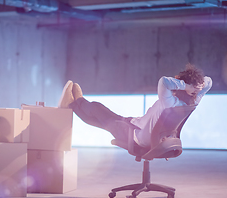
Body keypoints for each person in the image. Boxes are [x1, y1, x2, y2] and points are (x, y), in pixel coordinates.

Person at [58, 63, 213, 148]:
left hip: (133, 134)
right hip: (136, 126)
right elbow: (209, 81)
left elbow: (164, 82)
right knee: (101, 120)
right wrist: (196, 87)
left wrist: (185, 85)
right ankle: (74, 104)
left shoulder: (170, 102)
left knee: (98, 109)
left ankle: (75, 103)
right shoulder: (192, 102)